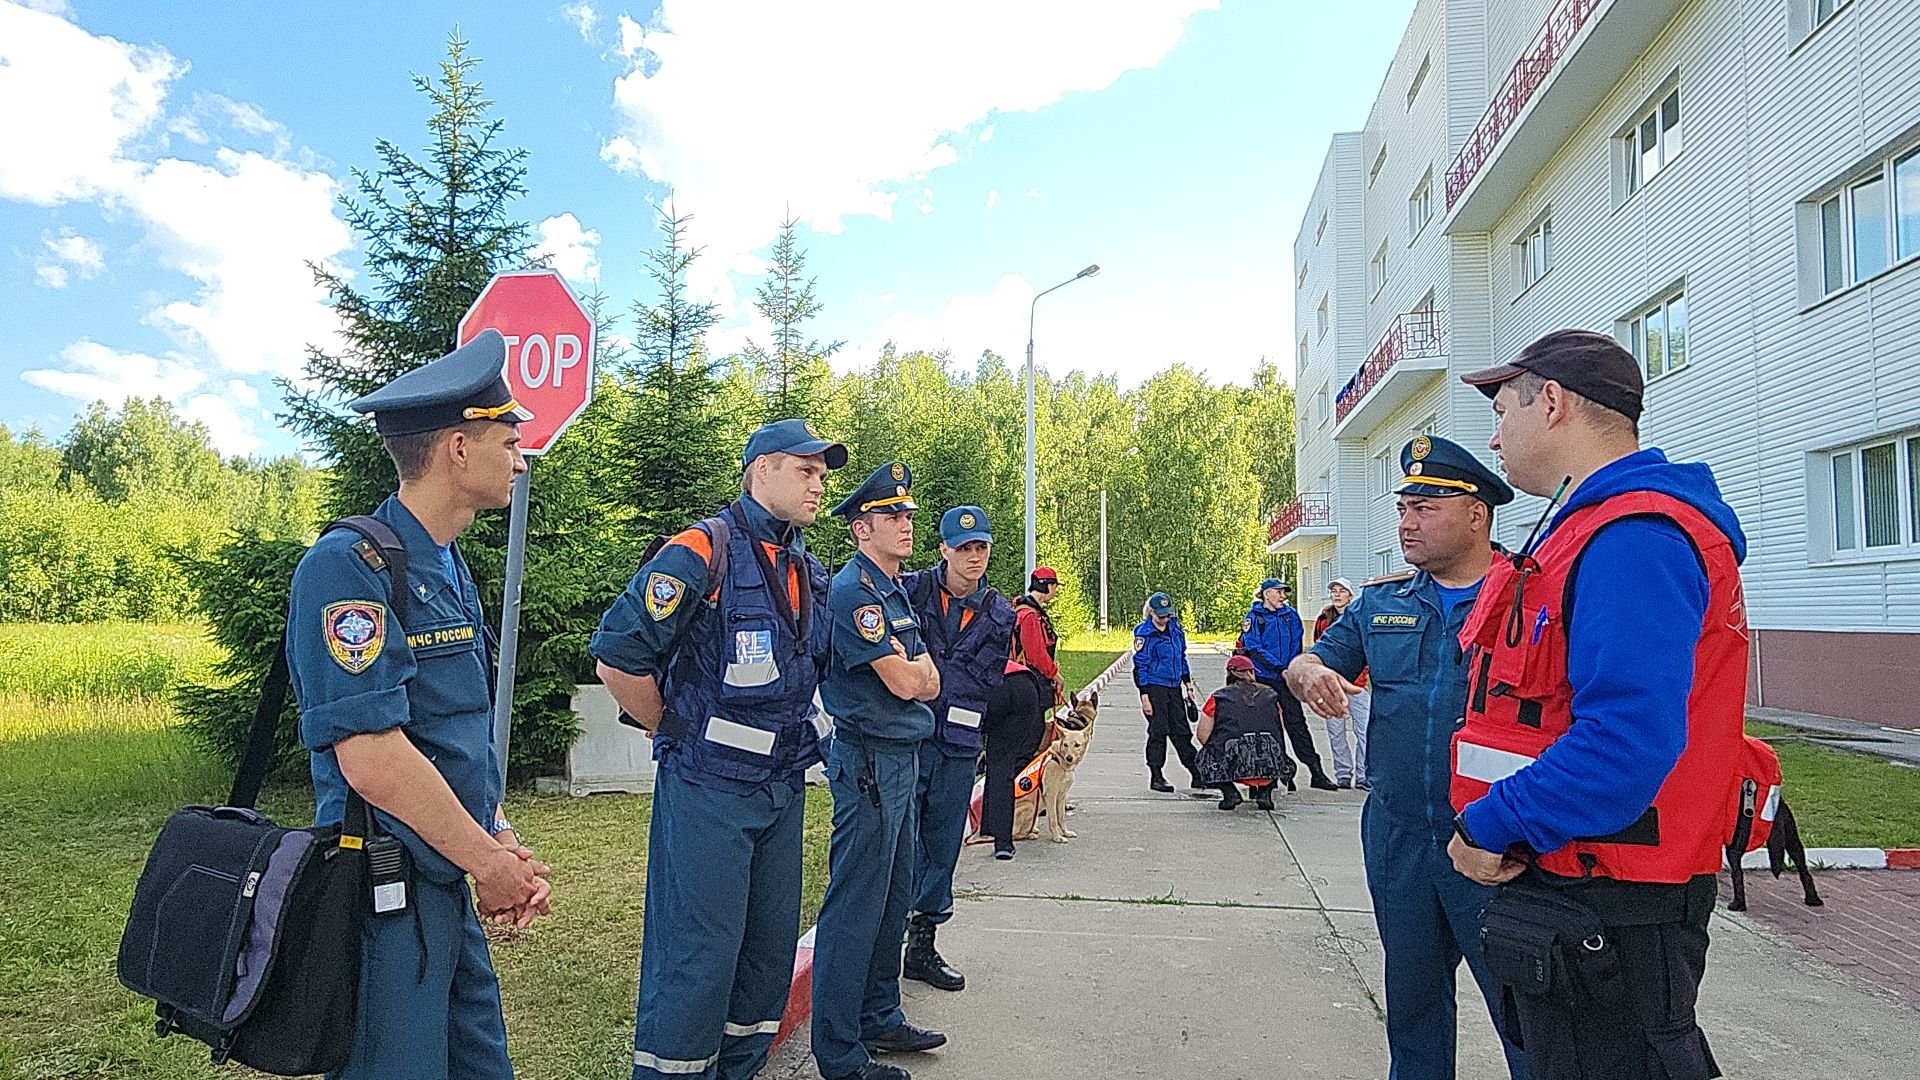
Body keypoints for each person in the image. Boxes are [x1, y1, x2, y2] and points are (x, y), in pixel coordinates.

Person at [1448, 329, 1748, 1080]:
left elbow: (1625, 744)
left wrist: (1489, 823)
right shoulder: (1584, 530)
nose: (1495, 434)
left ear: (1551, 402)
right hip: (1577, 892)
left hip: (1617, 911)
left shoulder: (1633, 538)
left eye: (1503, 409)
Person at [286, 330, 550, 1080]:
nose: (520, 457)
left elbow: (453, 727)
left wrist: (497, 837)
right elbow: (371, 757)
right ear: (458, 449)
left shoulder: (445, 562)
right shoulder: (347, 567)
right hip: (383, 893)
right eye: (508, 438)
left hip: (444, 881)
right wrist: (486, 863)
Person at [592, 419, 845, 1080]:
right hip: (710, 791)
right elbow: (618, 658)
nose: (820, 485)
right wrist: (669, 731)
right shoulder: (703, 552)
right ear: (762, 470)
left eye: (824, 474)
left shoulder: (805, 568)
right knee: (697, 961)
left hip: (779, 789)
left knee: (763, 963)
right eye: (806, 471)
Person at [1285, 434, 1528, 1080]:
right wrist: (1306, 672)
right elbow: (1315, 659)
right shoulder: (1382, 604)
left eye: (1425, 508)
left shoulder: (1529, 601)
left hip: (1496, 845)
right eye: (1403, 508)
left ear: (1477, 513)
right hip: (1399, 838)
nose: (1405, 523)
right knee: (1414, 1017)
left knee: (1531, 1026)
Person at [812, 461, 947, 1080]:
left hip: (902, 758)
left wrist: (915, 674)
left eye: (909, 515)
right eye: (892, 515)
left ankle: (879, 1015)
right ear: (861, 528)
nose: (906, 524)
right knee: (857, 905)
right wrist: (914, 674)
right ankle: (839, 1052)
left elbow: (930, 677)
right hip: (868, 761)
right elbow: (903, 678)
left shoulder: (892, 591)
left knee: (893, 898)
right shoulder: (854, 593)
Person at [900, 505, 1016, 992]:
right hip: (909, 736)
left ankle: (923, 942)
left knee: (944, 840)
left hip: (959, 742)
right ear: (943, 549)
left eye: (981, 548)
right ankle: (886, 941)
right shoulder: (911, 591)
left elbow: (987, 679)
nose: (974, 557)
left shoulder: (1000, 611)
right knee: (899, 838)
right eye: (964, 548)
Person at [1243, 579, 1338, 791]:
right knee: (1266, 726)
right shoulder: (1254, 617)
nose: (1283, 597)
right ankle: (1271, 774)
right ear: (1266, 594)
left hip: (1287, 678)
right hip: (1265, 679)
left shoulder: (1290, 615)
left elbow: (1298, 642)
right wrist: (1279, 668)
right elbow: (1254, 647)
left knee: (1297, 724)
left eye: (1283, 593)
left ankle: (1316, 771)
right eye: (1279, 592)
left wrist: (1293, 667)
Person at [1132, 591, 1207, 796]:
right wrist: (1144, 696)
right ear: (1152, 613)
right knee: (1158, 731)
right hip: (1155, 687)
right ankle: (1156, 775)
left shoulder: (1175, 630)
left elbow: (1181, 658)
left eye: (1168, 615)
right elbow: (1141, 666)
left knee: (1181, 731)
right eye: (1162, 615)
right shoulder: (1144, 633)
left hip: (1174, 686)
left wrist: (1188, 685)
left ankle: (1196, 772)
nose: (1166, 619)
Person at [978, 657, 1054, 859]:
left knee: (986, 763)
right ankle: (1001, 841)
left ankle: (991, 832)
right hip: (1024, 683)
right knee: (1004, 763)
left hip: (991, 687)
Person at [1195, 655, 1291, 811]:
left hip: (1234, 759)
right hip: (1269, 760)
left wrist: (1217, 751)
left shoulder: (1218, 697)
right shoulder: (1271, 695)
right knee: (1275, 748)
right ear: (1251, 673)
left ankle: (1230, 793)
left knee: (1203, 758)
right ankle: (1264, 794)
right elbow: (1279, 729)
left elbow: (1202, 734)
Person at [1314, 578, 1372, 789]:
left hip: (1356, 684)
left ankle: (1364, 775)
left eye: (1342, 591)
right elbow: (1318, 650)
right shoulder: (1323, 619)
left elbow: (1367, 649)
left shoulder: (1359, 616)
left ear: (1350, 595)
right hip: (1330, 685)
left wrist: (1362, 674)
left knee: (1364, 730)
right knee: (1336, 731)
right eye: (1334, 591)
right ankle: (1343, 774)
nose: (1337, 595)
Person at [1012, 565, 1063, 704]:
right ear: (1049, 587)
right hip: (1030, 680)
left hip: (1029, 678)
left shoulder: (1027, 611)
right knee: (1034, 723)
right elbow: (1035, 652)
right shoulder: (1029, 616)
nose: (1055, 591)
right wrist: (1054, 674)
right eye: (1055, 586)